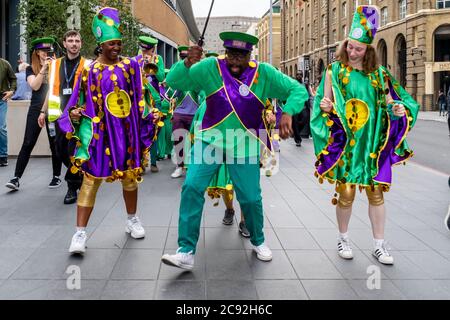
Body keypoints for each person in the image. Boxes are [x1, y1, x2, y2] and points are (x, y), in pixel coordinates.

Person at [161, 31, 308, 270]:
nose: (235, 60)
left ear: (250, 54)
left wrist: (289, 111)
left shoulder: (264, 73)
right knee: (191, 187)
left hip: (245, 144)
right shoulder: (210, 67)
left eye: (241, 55)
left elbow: (297, 90)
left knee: (250, 197)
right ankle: (186, 251)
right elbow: (175, 82)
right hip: (211, 140)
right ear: (225, 52)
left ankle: (258, 240)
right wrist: (187, 62)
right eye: (231, 54)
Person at [311, 5, 419, 265]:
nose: (352, 52)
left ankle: (379, 245)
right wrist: (326, 107)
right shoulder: (333, 71)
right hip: (348, 144)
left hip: (373, 144)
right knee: (346, 193)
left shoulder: (380, 75)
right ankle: (343, 238)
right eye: (350, 46)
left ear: (368, 50)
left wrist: (397, 109)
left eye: (358, 49)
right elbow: (324, 102)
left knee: (376, 194)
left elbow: (397, 102)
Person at [57, 7, 156, 254]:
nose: (116, 47)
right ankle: (79, 234)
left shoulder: (130, 67)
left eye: (118, 43)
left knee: (130, 178)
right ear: (101, 45)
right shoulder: (89, 70)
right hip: (100, 135)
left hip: (126, 134)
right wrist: (75, 113)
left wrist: (150, 113)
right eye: (111, 43)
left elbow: (144, 95)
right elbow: (77, 100)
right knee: (90, 181)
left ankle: (132, 219)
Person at [38, 30, 90, 205]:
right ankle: (81, 173)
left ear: (81, 44)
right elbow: (50, 90)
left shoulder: (87, 65)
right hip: (59, 116)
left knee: (72, 151)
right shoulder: (55, 65)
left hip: (79, 116)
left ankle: (71, 187)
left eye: (77, 40)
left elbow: (91, 94)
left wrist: (83, 110)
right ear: (64, 43)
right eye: (70, 40)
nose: (74, 43)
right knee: (59, 151)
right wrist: (43, 111)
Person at [5, 38, 62, 190]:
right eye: (43, 51)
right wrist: (43, 69)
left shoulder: (58, 66)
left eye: (48, 51)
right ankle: (16, 178)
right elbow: (35, 86)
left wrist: (54, 67)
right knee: (28, 142)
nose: (46, 54)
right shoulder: (31, 68)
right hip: (36, 108)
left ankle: (56, 176)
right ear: (37, 52)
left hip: (54, 108)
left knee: (54, 143)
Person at [169, 46, 203, 179]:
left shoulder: (198, 71)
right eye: (184, 58)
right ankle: (179, 166)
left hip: (195, 113)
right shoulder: (178, 69)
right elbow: (171, 84)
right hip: (180, 113)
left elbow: (203, 90)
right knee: (178, 140)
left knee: (197, 142)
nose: (187, 61)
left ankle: (193, 167)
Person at [138, 35, 165, 173]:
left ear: (153, 49)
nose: (145, 53)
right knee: (140, 132)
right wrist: (141, 65)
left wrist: (152, 65)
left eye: (148, 51)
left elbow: (161, 78)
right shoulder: (136, 60)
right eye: (143, 50)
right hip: (140, 101)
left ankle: (153, 162)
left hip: (155, 100)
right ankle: (141, 163)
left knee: (154, 131)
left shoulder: (158, 59)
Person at [0, 57, 17, 167]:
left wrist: (11, 91)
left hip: (1, 99)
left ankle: (2, 156)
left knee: (1, 127)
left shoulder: (5, 64)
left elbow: (13, 79)